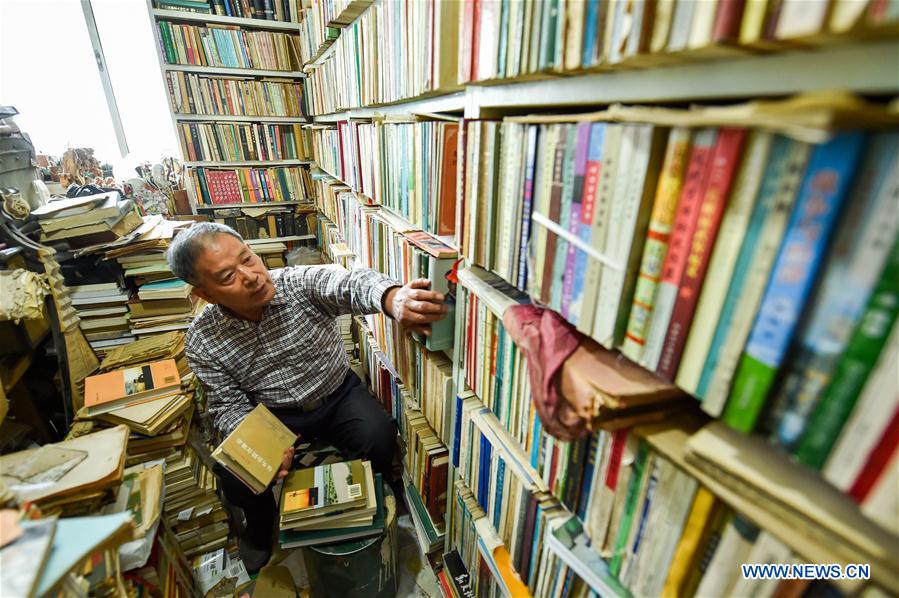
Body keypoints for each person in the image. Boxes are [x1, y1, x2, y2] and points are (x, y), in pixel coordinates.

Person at [166, 222, 448, 573]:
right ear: (205, 294)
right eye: (227, 277)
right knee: (236, 473)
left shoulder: (297, 283)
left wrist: (393, 298)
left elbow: (350, 283)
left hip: (336, 394)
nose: (251, 276)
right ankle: (260, 525)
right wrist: (257, 441)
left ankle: (370, 499)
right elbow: (225, 403)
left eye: (248, 259)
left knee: (378, 435)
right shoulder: (202, 340)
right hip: (270, 416)